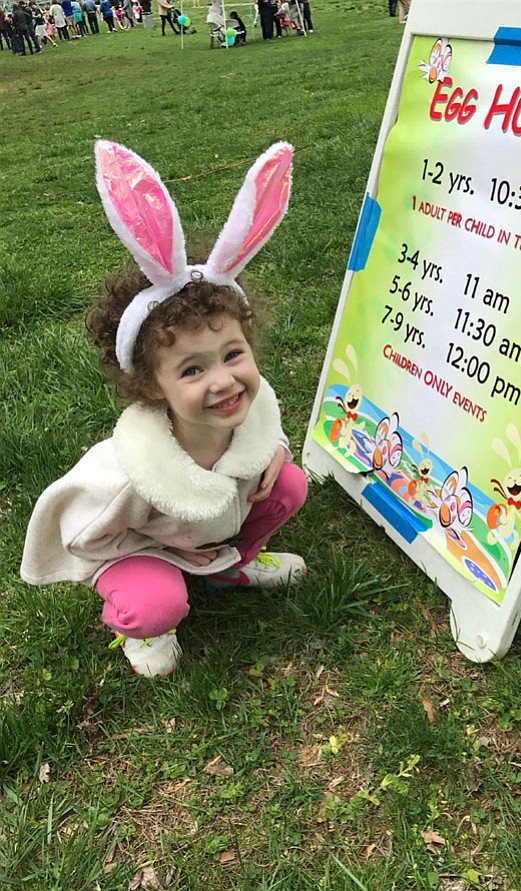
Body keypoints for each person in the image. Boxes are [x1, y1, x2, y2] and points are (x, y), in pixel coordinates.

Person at [21, 140, 307, 680]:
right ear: (151, 385)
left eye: (232, 354)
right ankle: (148, 619)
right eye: (192, 370)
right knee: (155, 602)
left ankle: (233, 568)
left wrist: (276, 448)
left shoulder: (248, 408)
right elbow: (84, 537)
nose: (223, 381)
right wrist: (161, 551)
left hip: (209, 535)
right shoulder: (128, 472)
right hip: (139, 548)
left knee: (288, 484)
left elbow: (265, 422)